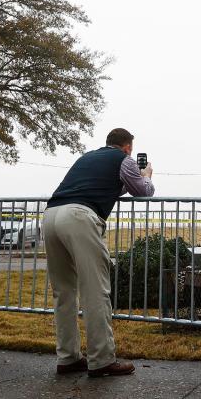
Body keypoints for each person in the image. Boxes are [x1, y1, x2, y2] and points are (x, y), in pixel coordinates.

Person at [43, 127, 154, 377]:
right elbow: (142, 191)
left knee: (64, 292)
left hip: (51, 215)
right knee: (96, 290)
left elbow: (109, 185)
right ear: (127, 147)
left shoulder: (87, 157)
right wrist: (145, 175)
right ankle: (102, 359)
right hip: (80, 217)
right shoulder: (124, 160)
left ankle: (68, 357)